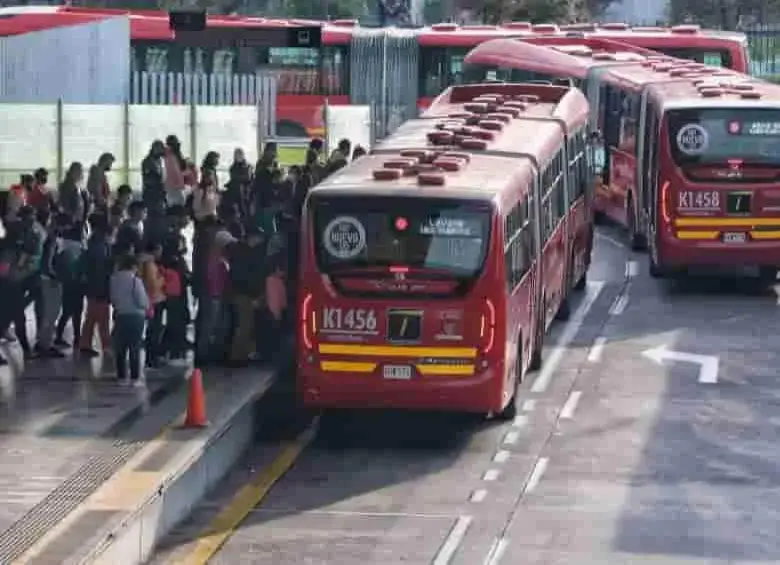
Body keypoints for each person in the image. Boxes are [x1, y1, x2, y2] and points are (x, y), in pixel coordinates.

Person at [196, 229, 234, 365]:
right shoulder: (215, 258)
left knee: (214, 325)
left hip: (216, 296)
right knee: (210, 325)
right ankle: (204, 355)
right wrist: (216, 294)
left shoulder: (217, 257)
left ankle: (208, 353)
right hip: (214, 296)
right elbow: (213, 279)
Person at [110, 253, 149, 386]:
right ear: (133, 266)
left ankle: (121, 377)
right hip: (136, 316)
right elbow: (142, 300)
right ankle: (134, 378)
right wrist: (146, 305)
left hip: (121, 315)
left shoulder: (113, 279)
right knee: (134, 346)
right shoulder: (135, 281)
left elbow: (113, 299)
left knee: (120, 347)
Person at [36, 212, 70, 358]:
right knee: (51, 313)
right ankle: (45, 344)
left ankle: (43, 342)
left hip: (45, 279)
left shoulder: (47, 236)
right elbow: (48, 263)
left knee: (48, 313)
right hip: (50, 281)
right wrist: (56, 277)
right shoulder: (52, 239)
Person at [79, 213, 113, 357]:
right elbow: (100, 269)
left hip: (92, 286)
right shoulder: (100, 246)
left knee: (92, 316)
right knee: (103, 318)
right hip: (99, 287)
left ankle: (85, 343)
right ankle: (106, 346)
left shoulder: (92, 242)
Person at [54, 223, 85, 349]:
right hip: (76, 284)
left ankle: (62, 336)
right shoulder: (78, 250)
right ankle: (76, 337)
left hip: (68, 285)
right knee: (76, 312)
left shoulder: (63, 250)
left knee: (67, 311)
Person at [138, 240, 166, 367]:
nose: (161, 252)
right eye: (159, 250)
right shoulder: (149, 264)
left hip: (147, 299)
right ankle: (152, 359)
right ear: (154, 251)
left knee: (151, 330)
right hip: (154, 299)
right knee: (154, 330)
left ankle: (151, 358)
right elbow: (152, 285)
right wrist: (162, 279)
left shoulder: (141, 262)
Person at [141, 140, 166, 212]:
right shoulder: (147, 162)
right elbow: (148, 179)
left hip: (159, 193)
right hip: (150, 194)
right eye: (159, 149)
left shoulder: (159, 161)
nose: (161, 152)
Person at [164, 134, 187, 207]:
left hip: (178, 185)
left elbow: (183, 167)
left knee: (181, 204)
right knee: (174, 205)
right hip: (171, 186)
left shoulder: (177, 154)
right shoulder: (166, 154)